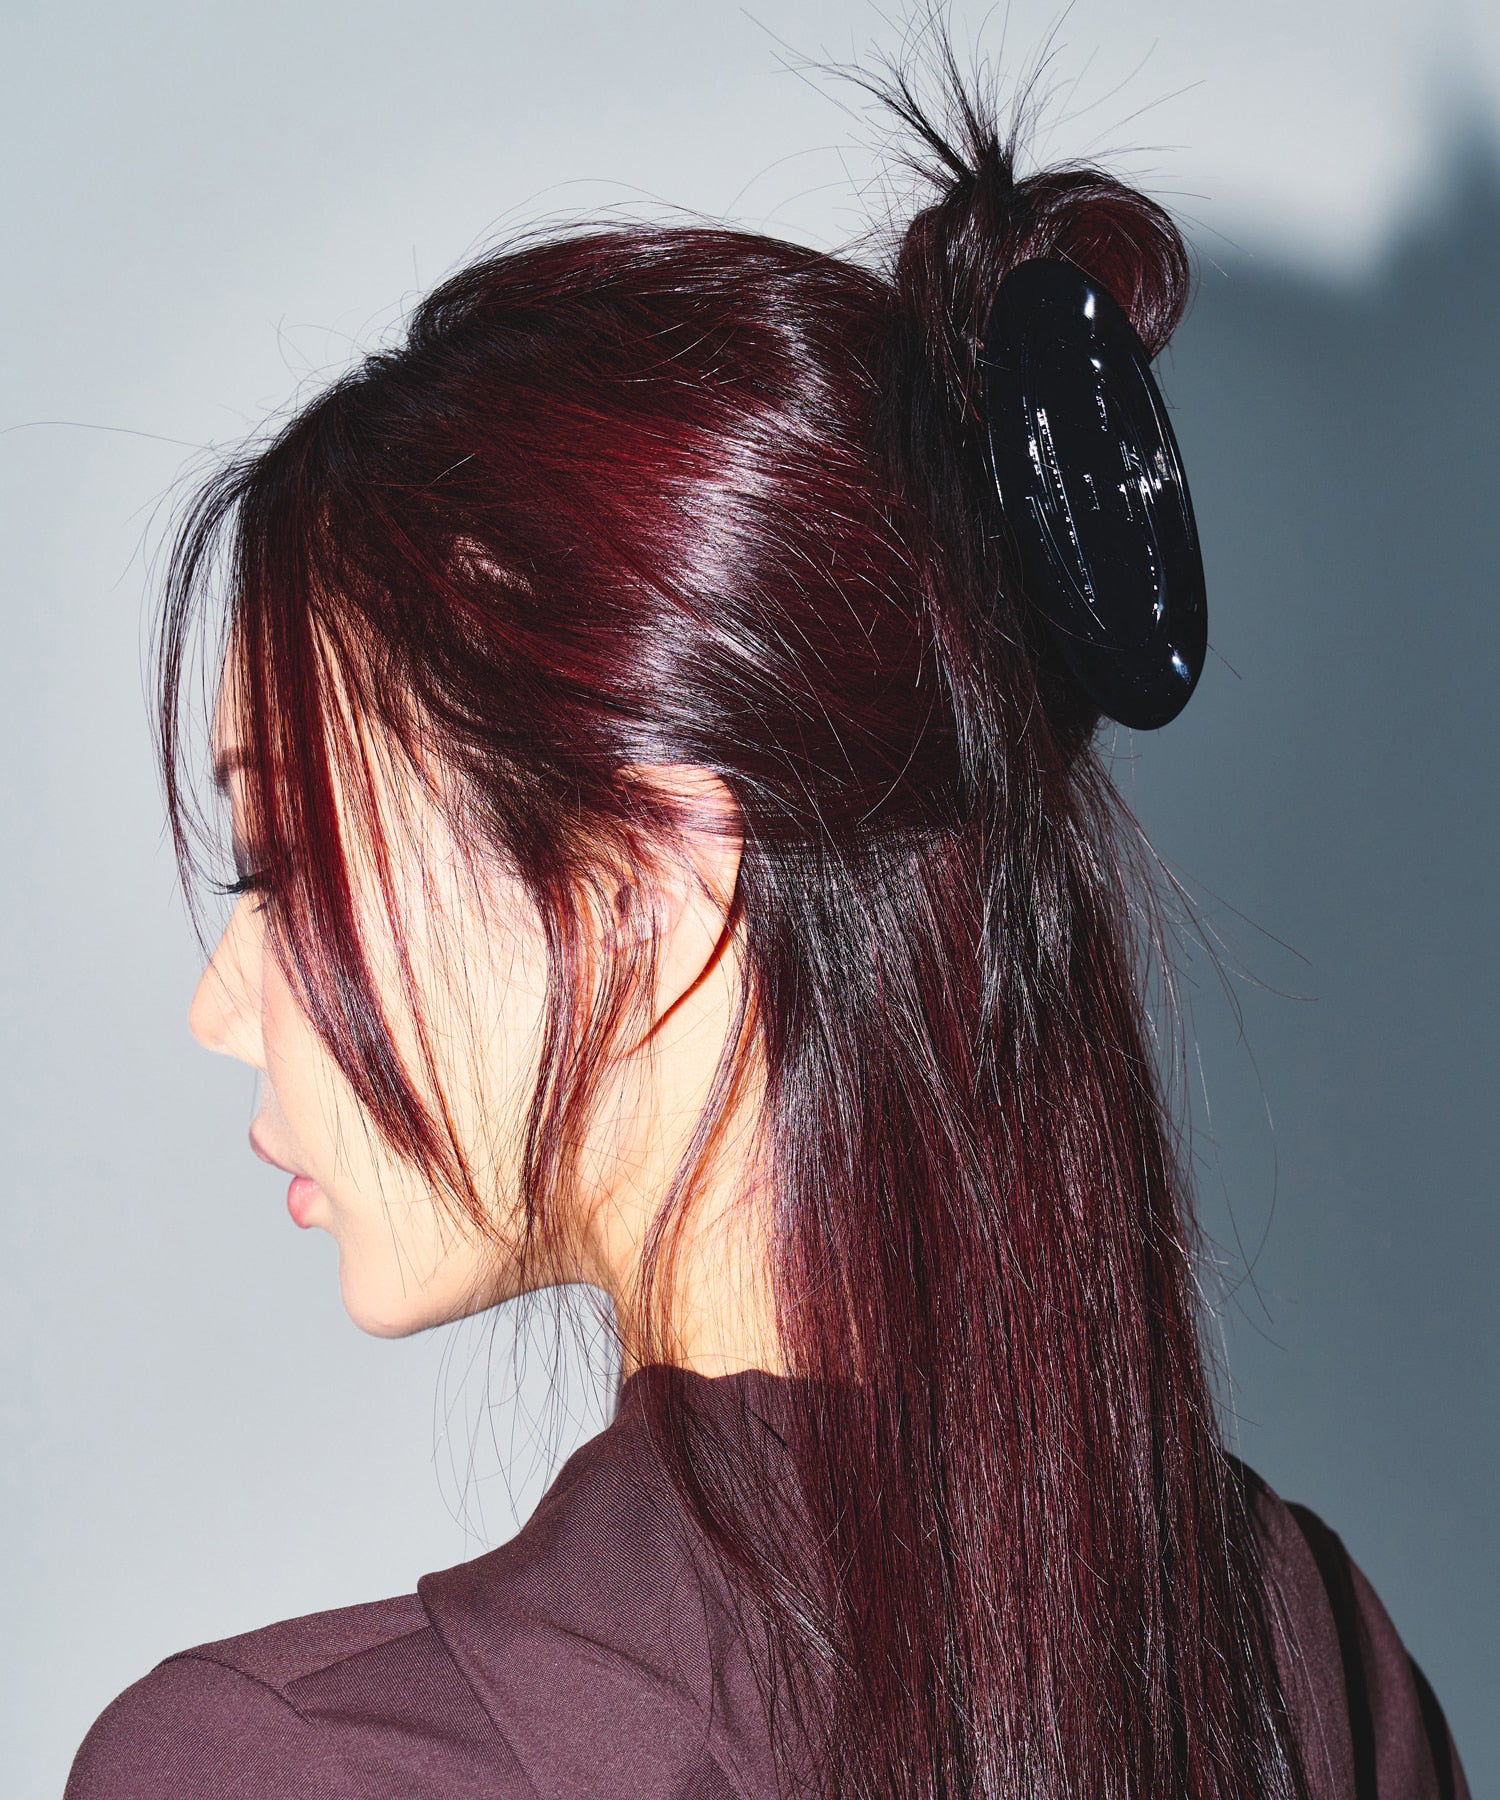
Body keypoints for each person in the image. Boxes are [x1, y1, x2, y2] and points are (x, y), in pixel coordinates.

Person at [64, 47, 1468, 1800]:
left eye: (287, 862)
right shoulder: (1306, 1651)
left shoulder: (278, 1769)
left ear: (649, 888)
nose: (223, 1001)